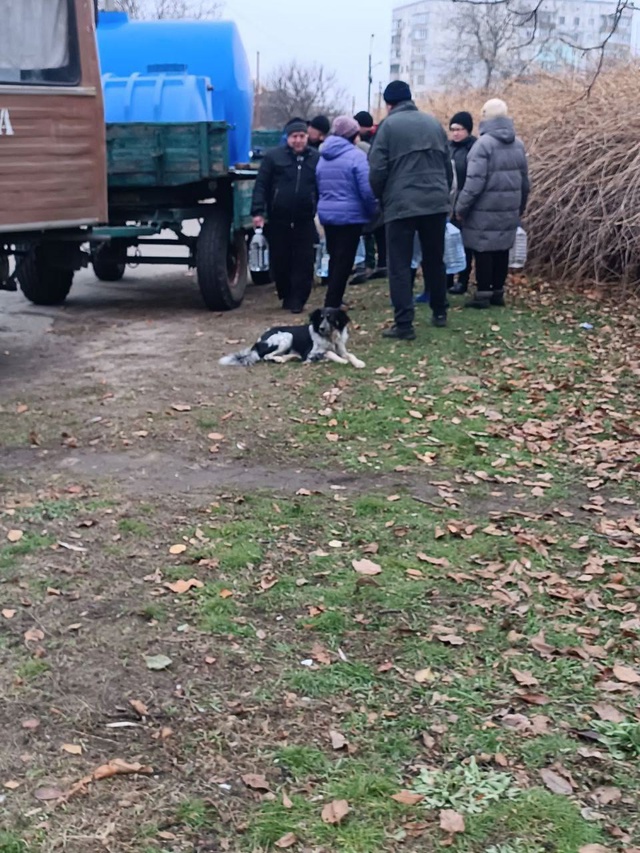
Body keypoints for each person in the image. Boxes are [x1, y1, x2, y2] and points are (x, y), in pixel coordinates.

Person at [369, 80, 453, 339]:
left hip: (401, 205)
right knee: (434, 259)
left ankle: (404, 324)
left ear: (388, 103)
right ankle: (439, 311)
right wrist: (442, 194)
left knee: (400, 265)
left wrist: (381, 197)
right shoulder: (432, 123)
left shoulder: (388, 127)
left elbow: (377, 169)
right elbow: (446, 166)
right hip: (435, 203)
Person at [455, 99, 529, 309]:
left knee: (484, 249)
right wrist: (520, 207)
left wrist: (461, 208)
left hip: (483, 209)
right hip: (509, 208)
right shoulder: (519, 144)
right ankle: (498, 292)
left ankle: (483, 294)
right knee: (502, 249)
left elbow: (474, 183)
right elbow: (525, 181)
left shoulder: (483, 145)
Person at [251, 117, 320, 314]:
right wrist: (258, 211)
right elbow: (262, 185)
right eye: (294, 137)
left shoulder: (315, 158)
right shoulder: (274, 157)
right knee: (280, 261)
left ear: (307, 137)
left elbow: (322, 185)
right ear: (288, 138)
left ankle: (298, 298)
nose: (298, 140)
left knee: (304, 262)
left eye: (301, 136)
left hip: (304, 219)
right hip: (279, 218)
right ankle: (285, 293)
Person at [316, 116, 377, 309]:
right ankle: (332, 303)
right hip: (350, 216)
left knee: (335, 257)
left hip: (328, 214)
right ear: (353, 135)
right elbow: (366, 189)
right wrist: (373, 209)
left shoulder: (324, 156)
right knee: (345, 261)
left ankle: (334, 298)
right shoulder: (356, 156)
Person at [350, 110, 387, 285]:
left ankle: (366, 264)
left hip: (371, 191)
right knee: (377, 229)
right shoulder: (376, 138)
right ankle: (378, 263)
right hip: (376, 191)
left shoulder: (364, 146)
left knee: (369, 230)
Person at [448, 111, 477, 295]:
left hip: (467, 202)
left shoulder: (473, 148)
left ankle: (463, 280)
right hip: (448, 202)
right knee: (448, 243)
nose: (456, 133)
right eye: (453, 129)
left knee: (465, 245)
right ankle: (447, 278)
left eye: (460, 129)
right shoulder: (448, 148)